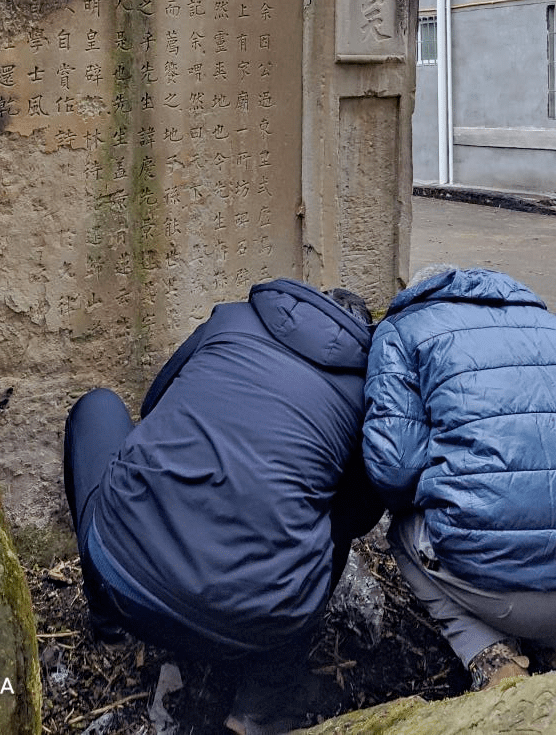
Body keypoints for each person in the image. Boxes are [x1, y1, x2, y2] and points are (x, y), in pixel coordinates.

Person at [63, 278, 384, 735]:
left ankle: (108, 622)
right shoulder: (363, 389)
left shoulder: (232, 319)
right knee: (332, 527)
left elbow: (154, 404)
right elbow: (358, 516)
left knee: (96, 407)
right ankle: (256, 707)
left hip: (125, 577)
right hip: (248, 628)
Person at [363, 265, 556, 691]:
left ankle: (492, 660)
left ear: (421, 294)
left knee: (405, 531)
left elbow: (393, 470)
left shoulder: (403, 331)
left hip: (507, 596)